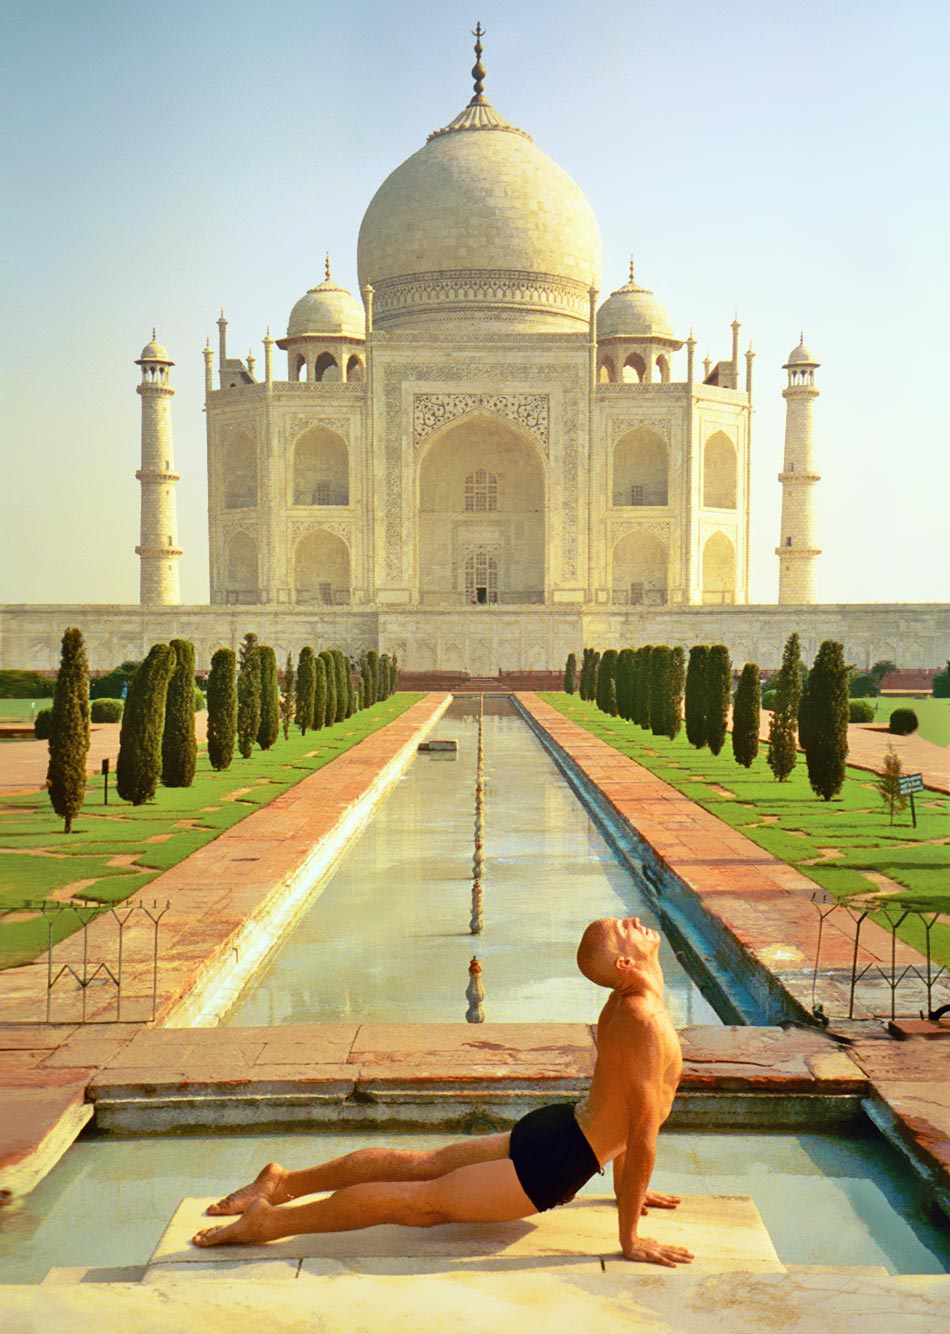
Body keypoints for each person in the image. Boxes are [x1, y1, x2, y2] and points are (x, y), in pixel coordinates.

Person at [192, 916, 693, 1267]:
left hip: (559, 1128)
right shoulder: (643, 1018)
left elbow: (628, 1113)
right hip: (555, 1161)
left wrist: (633, 1191)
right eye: (623, 929)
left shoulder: (624, 1006)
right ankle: (269, 1224)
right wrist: (629, 1239)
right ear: (625, 964)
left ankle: (282, 1182)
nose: (632, 921)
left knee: (421, 1165)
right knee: (419, 1201)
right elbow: (642, 1131)